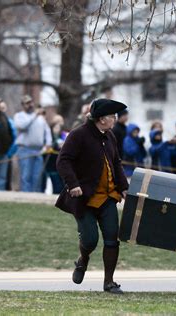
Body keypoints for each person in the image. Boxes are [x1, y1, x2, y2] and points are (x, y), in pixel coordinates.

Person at [56, 98, 129, 294]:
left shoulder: (110, 135)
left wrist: (123, 186)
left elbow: (116, 162)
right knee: (90, 241)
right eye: (112, 116)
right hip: (85, 199)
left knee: (112, 239)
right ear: (102, 119)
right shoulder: (78, 135)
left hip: (107, 198)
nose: (115, 119)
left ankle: (109, 282)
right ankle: (83, 260)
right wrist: (73, 184)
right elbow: (63, 161)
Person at [14, 95, 52, 192]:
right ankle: (26, 197)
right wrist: (34, 115)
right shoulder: (19, 116)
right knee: (26, 176)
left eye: (31, 102)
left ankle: (35, 198)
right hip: (24, 149)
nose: (30, 105)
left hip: (38, 150)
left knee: (37, 176)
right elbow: (23, 126)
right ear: (23, 105)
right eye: (27, 103)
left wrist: (48, 143)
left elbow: (47, 131)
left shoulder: (40, 118)